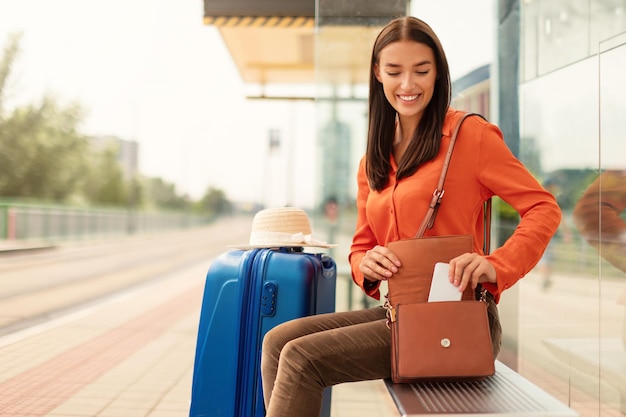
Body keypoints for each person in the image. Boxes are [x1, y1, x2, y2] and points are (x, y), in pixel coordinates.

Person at [260, 16, 561, 417]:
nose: (408, 85)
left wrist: (496, 265)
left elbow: (543, 208)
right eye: (395, 71)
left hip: (458, 319)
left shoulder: (470, 137)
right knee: (278, 341)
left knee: (302, 358)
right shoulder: (373, 159)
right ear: (377, 74)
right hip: (400, 313)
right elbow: (362, 245)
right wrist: (365, 263)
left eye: (421, 70)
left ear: (438, 73)